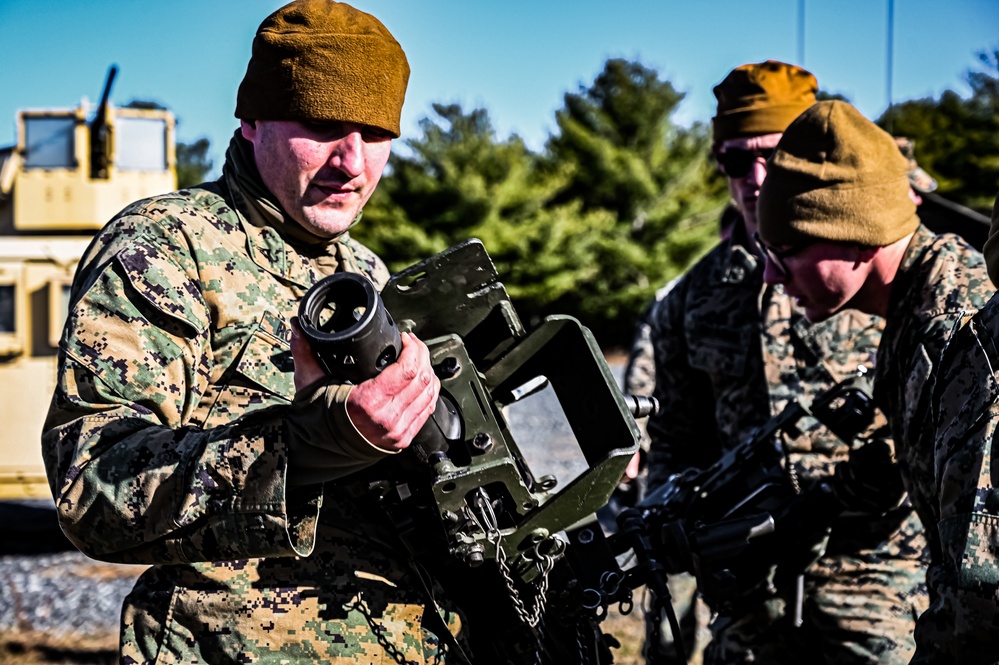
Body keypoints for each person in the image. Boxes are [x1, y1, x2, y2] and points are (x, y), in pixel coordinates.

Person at [41, 2, 467, 663]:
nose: (351, 162)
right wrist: (306, 446)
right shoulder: (165, 246)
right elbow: (93, 488)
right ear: (252, 119)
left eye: (376, 130)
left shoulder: (364, 272)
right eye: (323, 124)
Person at [644, 62, 928, 665]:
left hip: (874, 579)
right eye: (734, 161)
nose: (754, 179)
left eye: (772, 154)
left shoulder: (867, 271)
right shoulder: (692, 300)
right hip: (750, 595)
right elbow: (676, 439)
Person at [756, 100, 996, 664]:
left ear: (857, 235)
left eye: (785, 251)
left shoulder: (955, 335)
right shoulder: (914, 310)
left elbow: (982, 592)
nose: (770, 275)